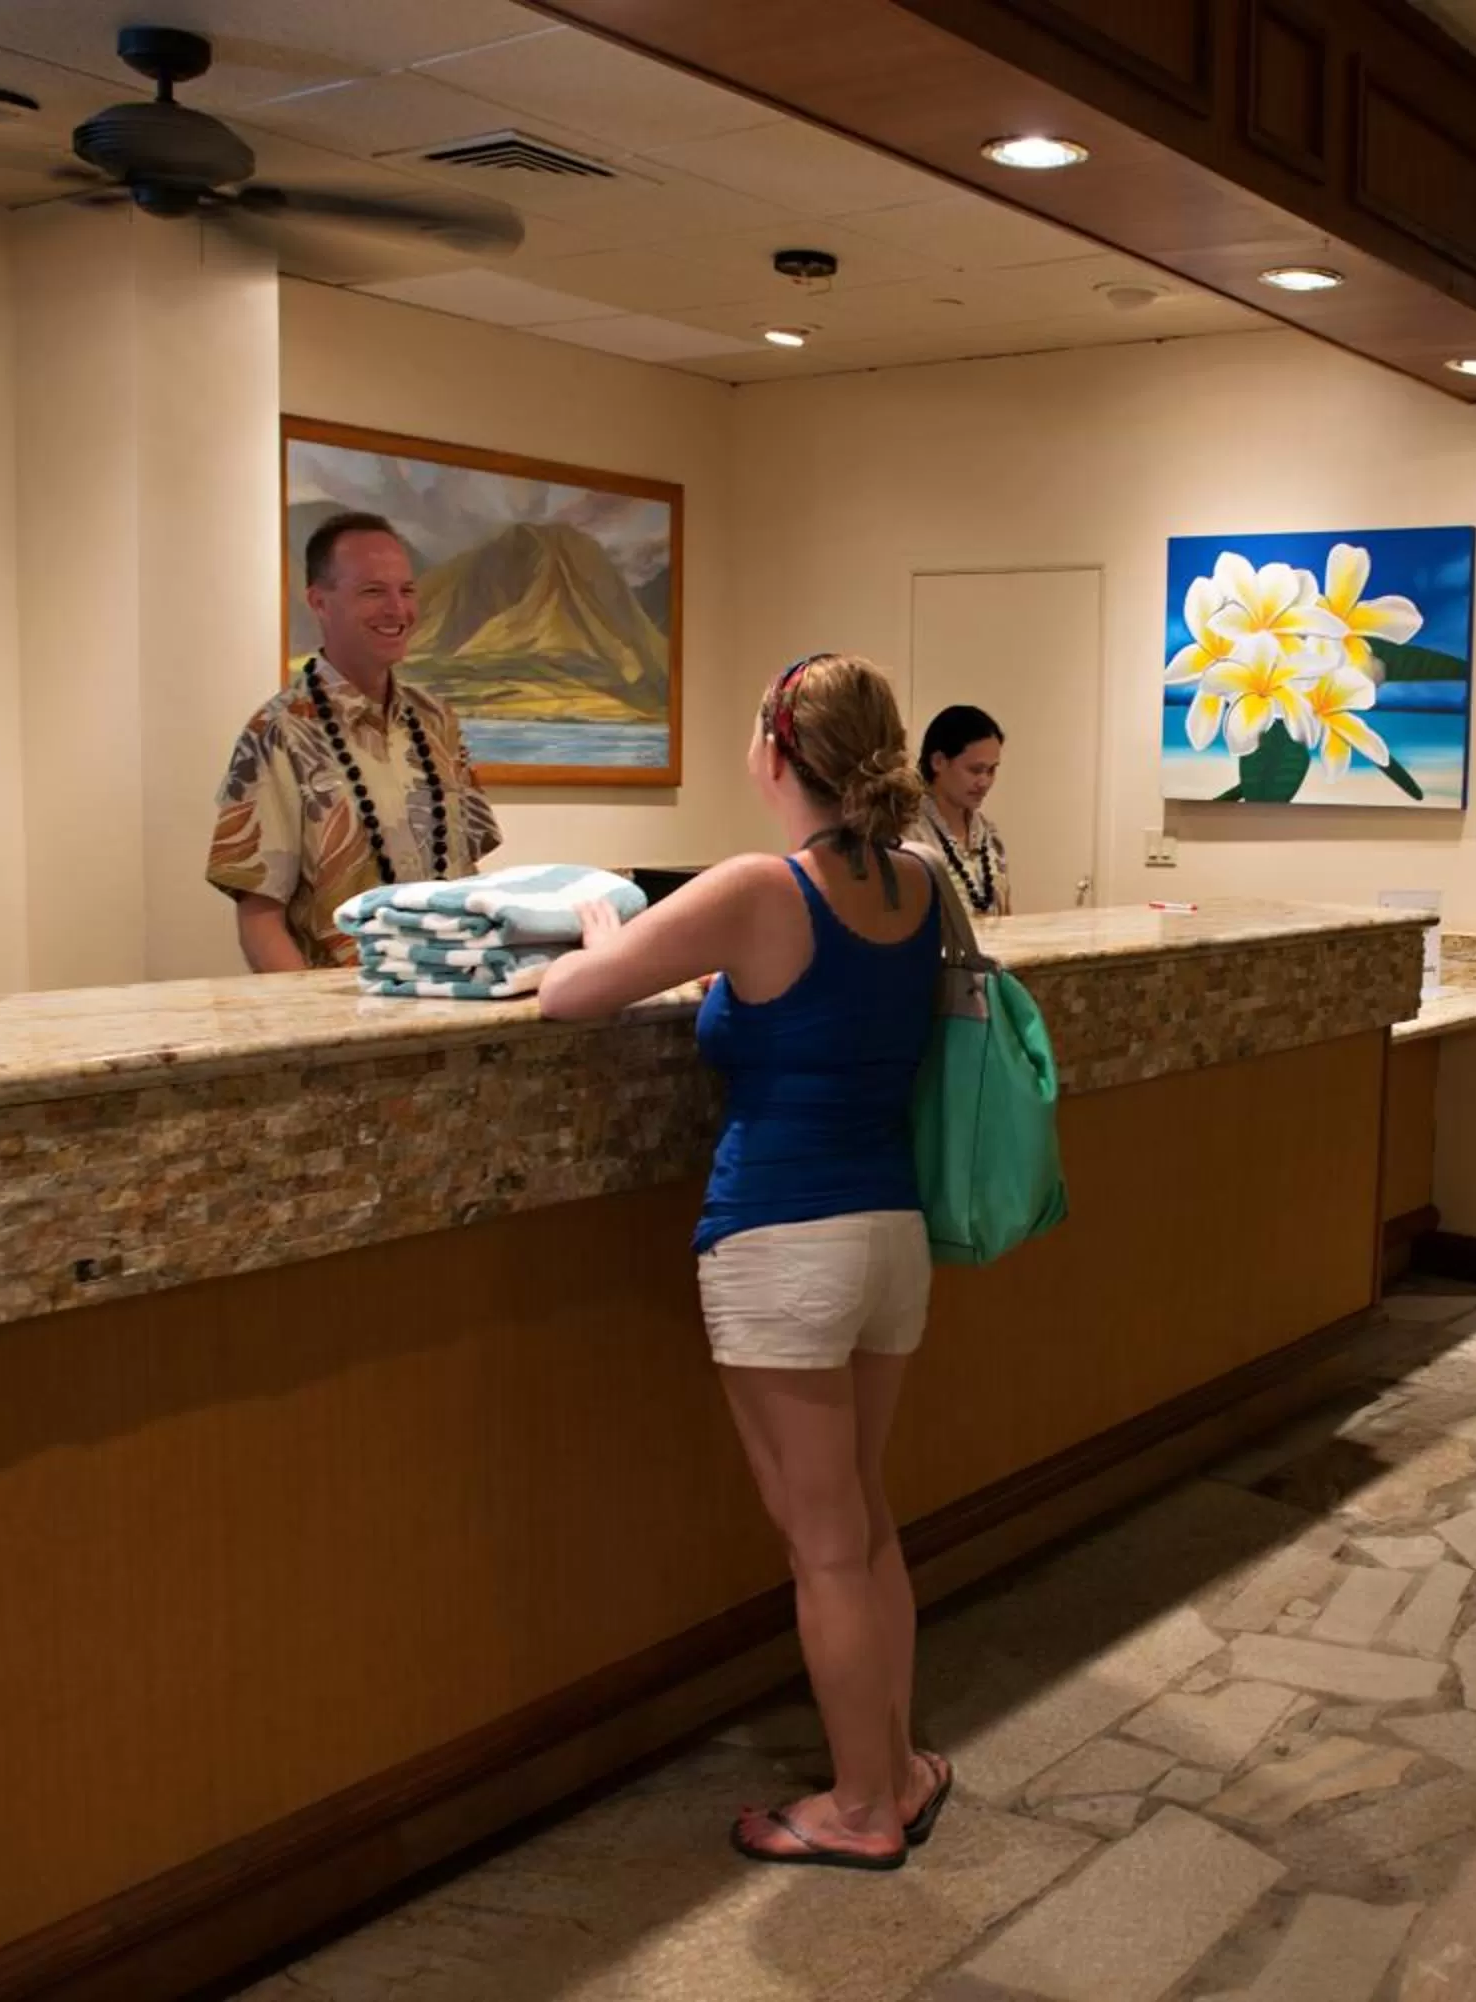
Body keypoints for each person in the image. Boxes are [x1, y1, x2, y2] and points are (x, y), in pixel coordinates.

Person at [537, 653, 953, 1871]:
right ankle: (904, 1764)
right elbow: (832, 1005)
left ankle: (862, 1808)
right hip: (890, 1238)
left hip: (782, 1244)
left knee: (822, 1544)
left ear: (775, 753)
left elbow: (570, 996)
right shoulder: (922, 887)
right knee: (869, 1522)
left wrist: (607, 931)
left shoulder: (754, 889)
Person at [208, 512, 501, 970]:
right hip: (344, 1019)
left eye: (406, 590)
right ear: (319, 602)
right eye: (372, 591)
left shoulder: (437, 721)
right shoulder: (278, 732)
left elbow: (466, 879)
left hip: (453, 1003)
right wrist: (319, 1030)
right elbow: (260, 921)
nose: (397, 610)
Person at [916, 704, 1011, 918]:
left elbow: (1006, 916)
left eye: (992, 770)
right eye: (975, 770)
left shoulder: (989, 835)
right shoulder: (911, 837)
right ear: (938, 762)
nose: (984, 782)